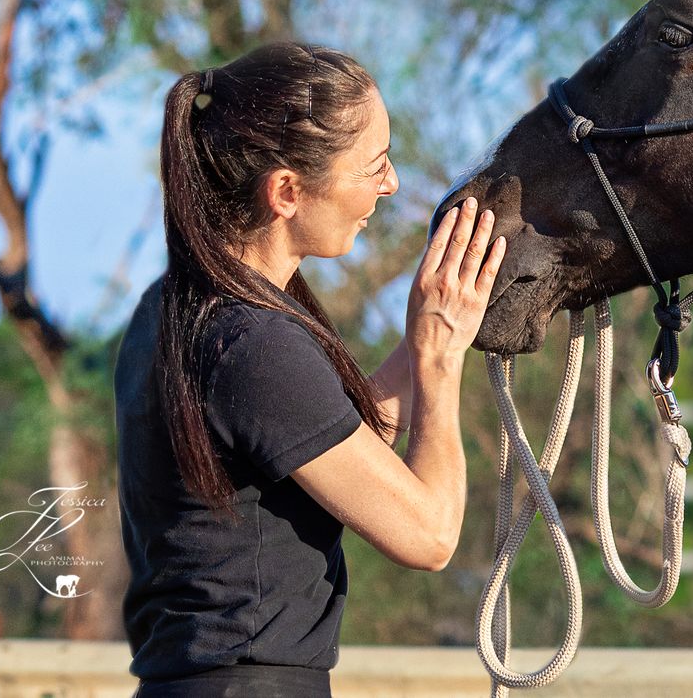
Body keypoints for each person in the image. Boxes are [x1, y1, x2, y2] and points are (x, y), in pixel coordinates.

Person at [112, 41, 505, 697]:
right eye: (374, 165)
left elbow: (335, 445)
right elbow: (430, 533)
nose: (392, 183)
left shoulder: (172, 309)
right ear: (287, 191)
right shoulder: (252, 343)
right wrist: (437, 357)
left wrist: (429, 324)